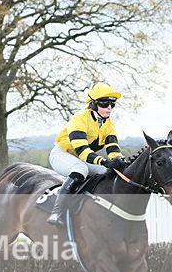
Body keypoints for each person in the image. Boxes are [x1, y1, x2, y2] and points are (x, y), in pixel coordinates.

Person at [47, 83, 126, 226]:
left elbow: (112, 147)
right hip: (61, 155)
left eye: (112, 104)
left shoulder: (108, 123)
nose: (109, 107)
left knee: (107, 172)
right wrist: (104, 161)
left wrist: (118, 160)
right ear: (93, 104)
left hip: (79, 158)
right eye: (104, 103)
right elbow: (83, 152)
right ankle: (56, 212)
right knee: (80, 169)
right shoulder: (79, 118)